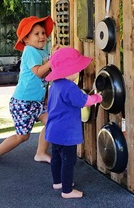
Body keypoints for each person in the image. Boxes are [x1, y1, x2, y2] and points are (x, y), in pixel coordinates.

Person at [0, 15, 58, 163]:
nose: (42, 36)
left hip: (37, 103)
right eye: (36, 34)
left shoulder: (44, 53)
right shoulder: (29, 51)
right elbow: (39, 72)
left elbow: (47, 76)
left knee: (53, 123)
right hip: (22, 103)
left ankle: (40, 153)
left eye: (43, 33)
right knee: (23, 136)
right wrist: (52, 61)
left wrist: (54, 58)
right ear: (26, 39)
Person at [44, 47, 102, 199]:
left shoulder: (54, 86)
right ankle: (67, 191)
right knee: (68, 161)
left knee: (56, 158)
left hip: (53, 131)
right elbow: (84, 101)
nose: (78, 73)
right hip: (66, 133)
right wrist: (98, 98)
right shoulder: (70, 87)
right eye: (77, 70)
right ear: (70, 71)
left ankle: (58, 182)